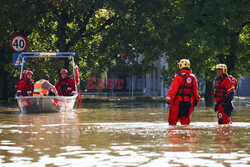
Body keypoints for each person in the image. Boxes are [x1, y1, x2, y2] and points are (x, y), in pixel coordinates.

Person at [166, 59, 200, 125]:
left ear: (181, 66)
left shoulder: (178, 77)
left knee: (172, 122)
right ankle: (186, 135)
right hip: (188, 103)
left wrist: (168, 102)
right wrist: (194, 104)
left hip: (177, 103)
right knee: (185, 122)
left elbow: (173, 91)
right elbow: (195, 93)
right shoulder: (193, 78)